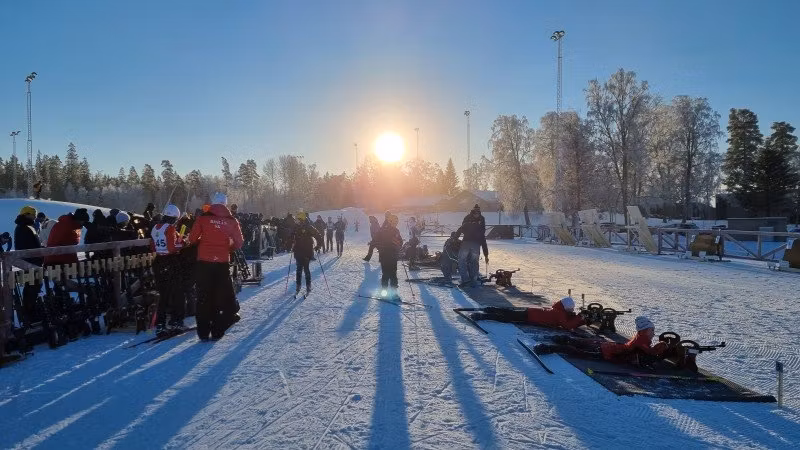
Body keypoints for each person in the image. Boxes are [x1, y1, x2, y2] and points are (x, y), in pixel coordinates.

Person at [187, 192, 244, 341]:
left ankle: (203, 332)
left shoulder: (203, 218)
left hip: (204, 263)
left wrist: (203, 240)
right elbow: (239, 243)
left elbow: (192, 239)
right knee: (223, 297)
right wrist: (228, 246)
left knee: (204, 297)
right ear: (225, 204)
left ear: (212, 203)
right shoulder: (232, 221)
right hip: (221, 263)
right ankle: (218, 329)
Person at [534, 316, 668, 366]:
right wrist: (663, 347)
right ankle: (549, 348)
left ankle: (559, 339)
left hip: (609, 347)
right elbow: (650, 354)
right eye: (652, 331)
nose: (653, 333)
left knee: (581, 342)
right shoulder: (643, 340)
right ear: (645, 331)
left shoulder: (640, 336)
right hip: (607, 352)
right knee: (577, 352)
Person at [152, 204, 186, 334]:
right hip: (170, 261)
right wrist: (181, 243)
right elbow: (172, 248)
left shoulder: (155, 227)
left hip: (158, 261)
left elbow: (153, 247)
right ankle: (177, 321)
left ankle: (160, 323)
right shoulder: (170, 228)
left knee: (163, 294)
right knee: (178, 292)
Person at [470, 297, 586, 330]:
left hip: (530, 312)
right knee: (506, 318)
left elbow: (569, 321)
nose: (572, 311)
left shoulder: (558, 310)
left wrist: (582, 320)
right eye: (571, 309)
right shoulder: (560, 314)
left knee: (508, 312)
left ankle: (490, 309)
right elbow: (567, 325)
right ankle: (483, 315)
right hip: (530, 317)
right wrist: (581, 317)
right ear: (566, 308)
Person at [14, 206, 43, 322]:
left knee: (33, 286)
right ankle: (29, 313)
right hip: (30, 262)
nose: (35, 217)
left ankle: (30, 311)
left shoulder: (27, 226)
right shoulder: (23, 227)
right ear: (26, 214)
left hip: (32, 261)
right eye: (33, 214)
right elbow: (26, 246)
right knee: (32, 286)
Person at [289, 212, 323, 296]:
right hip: (298, 251)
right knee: (299, 269)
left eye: (298, 220)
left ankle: (308, 286)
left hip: (307, 251)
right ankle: (298, 285)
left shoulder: (309, 227)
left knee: (306, 269)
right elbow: (290, 236)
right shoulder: (296, 227)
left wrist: (318, 245)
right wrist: (291, 241)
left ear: (302, 220)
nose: (297, 221)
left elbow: (318, 236)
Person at [454, 204, 489, 287]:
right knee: (473, 262)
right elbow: (482, 237)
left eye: (478, 212)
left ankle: (467, 279)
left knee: (462, 260)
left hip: (467, 243)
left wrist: (455, 238)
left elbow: (461, 228)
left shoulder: (470, 222)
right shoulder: (478, 223)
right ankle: (473, 278)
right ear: (473, 212)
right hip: (475, 244)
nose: (477, 214)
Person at [376, 214, 403, 296]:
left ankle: (385, 293)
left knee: (386, 274)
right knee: (392, 274)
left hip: (385, 256)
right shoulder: (394, 231)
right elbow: (399, 242)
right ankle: (392, 293)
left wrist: (380, 249)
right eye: (395, 222)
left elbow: (377, 241)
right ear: (391, 222)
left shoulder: (383, 230)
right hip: (390, 256)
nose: (395, 223)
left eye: (396, 222)